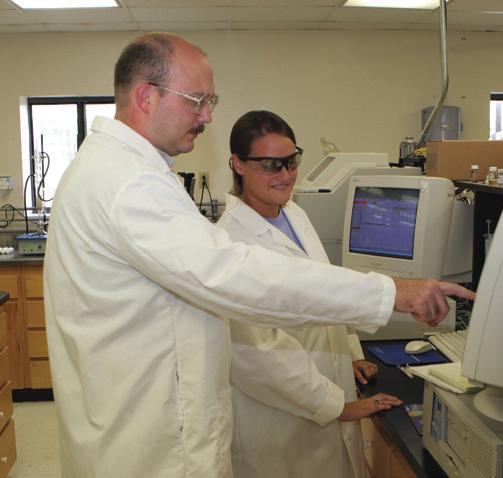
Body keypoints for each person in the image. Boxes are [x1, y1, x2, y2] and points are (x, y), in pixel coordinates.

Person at [43, 32, 474, 478]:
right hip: (153, 448)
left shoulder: (118, 170)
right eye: (197, 100)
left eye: (211, 101)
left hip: (143, 430)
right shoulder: (130, 182)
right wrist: (391, 292)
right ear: (146, 96)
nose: (207, 115)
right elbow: (234, 277)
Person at [219, 110, 402, 478]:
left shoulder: (294, 214)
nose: (285, 174)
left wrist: (348, 353)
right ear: (238, 164)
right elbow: (258, 356)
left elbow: (325, 289)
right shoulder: (229, 242)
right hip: (281, 421)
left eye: (291, 161)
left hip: (326, 388)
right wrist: (339, 407)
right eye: (270, 165)